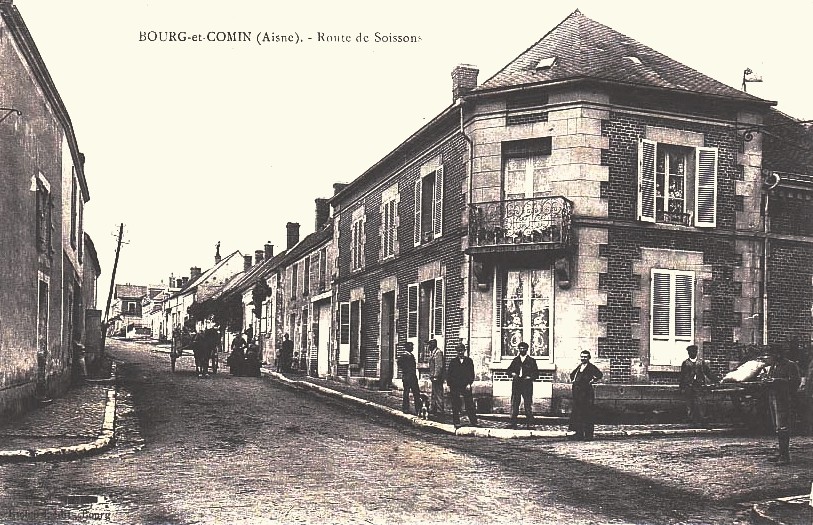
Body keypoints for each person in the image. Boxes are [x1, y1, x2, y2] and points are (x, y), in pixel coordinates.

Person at [762, 343, 801, 465]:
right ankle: (781, 452)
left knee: (782, 427)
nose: (769, 357)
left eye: (771, 354)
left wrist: (777, 381)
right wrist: (766, 380)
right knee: (777, 427)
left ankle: (785, 456)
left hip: (784, 399)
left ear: (778, 354)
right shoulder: (774, 365)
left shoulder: (790, 365)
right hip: (773, 397)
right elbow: (770, 378)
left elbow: (795, 381)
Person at [679, 344, 718, 426]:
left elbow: (708, 372)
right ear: (688, 353)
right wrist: (682, 387)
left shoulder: (701, 362)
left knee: (701, 402)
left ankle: (702, 419)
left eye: (694, 351)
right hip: (689, 385)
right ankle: (690, 420)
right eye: (691, 352)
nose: (693, 353)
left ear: (696, 352)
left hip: (699, 385)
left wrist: (716, 380)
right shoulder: (685, 363)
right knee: (689, 402)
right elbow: (682, 376)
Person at [569, 351, 603, 440]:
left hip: (587, 394)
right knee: (578, 414)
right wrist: (573, 380)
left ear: (589, 358)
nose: (583, 358)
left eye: (585, 357)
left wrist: (593, 380)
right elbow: (572, 374)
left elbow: (599, 374)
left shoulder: (591, 367)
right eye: (582, 357)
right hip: (578, 394)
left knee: (587, 414)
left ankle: (588, 435)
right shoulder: (579, 366)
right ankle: (579, 434)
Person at [506, 341, 539, 429]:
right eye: (520, 348)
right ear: (518, 349)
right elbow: (508, 370)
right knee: (515, 403)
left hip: (527, 385)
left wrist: (530, 377)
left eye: (524, 348)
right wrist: (512, 373)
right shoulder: (515, 360)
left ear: (527, 349)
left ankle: (530, 423)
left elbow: (536, 374)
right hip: (517, 384)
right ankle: (513, 423)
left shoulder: (531, 361)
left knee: (527, 404)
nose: (522, 350)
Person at [446, 342, 478, 428]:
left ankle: (474, 421)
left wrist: (469, 383)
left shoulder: (469, 361)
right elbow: (449, 374)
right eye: (459, 351)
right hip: (455, 386)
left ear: (464, 351)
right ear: (456, 352)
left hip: (465, 385)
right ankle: (456, 422)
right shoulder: (453, 362)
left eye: (462, 351)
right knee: (455, 404)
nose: (460, 352)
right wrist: (449, 385)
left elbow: (471, 373)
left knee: (469, 404)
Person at [397, 342, 422, 415]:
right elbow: (399, 363)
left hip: (412, 376)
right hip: (408, 376)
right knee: (407, 392)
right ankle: (405, 408)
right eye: (411, 346)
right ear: (407, 347)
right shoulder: (404, 356)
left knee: (416, 393)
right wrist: (406, 370)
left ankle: (418, 409)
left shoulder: (411, 355)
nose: (412, 348)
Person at [427, 339, 445, 417]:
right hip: (433, 377)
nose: (428, 346)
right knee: (434, 394)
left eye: (430, 345)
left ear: (433, 345)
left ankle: (440, 410)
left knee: (438, 394)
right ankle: (433, 409)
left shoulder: (438, 353)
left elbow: (439, 366)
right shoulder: (433, 352)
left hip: (437, 377)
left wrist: (436, 376)